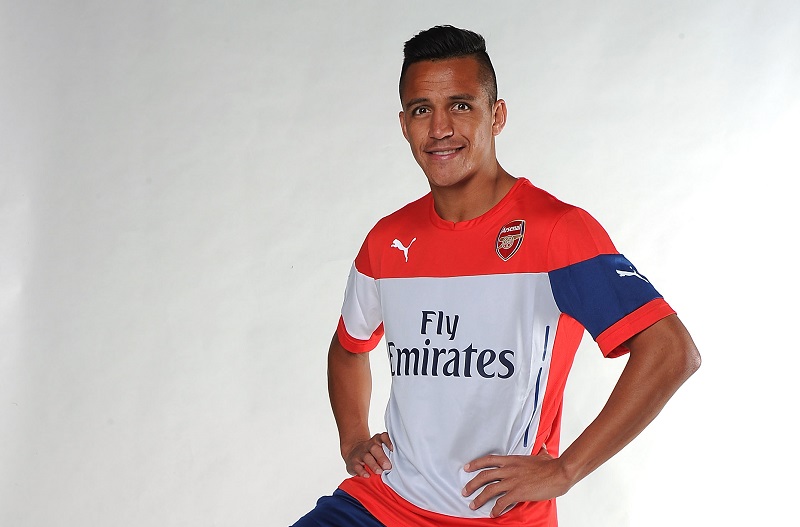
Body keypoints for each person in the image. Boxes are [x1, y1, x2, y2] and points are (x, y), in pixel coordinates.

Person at [292, 25, 700, 527]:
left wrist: (566, 471)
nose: (439, 128)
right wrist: (354, 438)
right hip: (382, 506)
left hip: (501, 517)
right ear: (403, 124)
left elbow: (671, 350)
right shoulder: (388, 240)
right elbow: (348, 347)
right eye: (421, 110)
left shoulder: (557, 232)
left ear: (497, 115)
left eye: (460, 105)